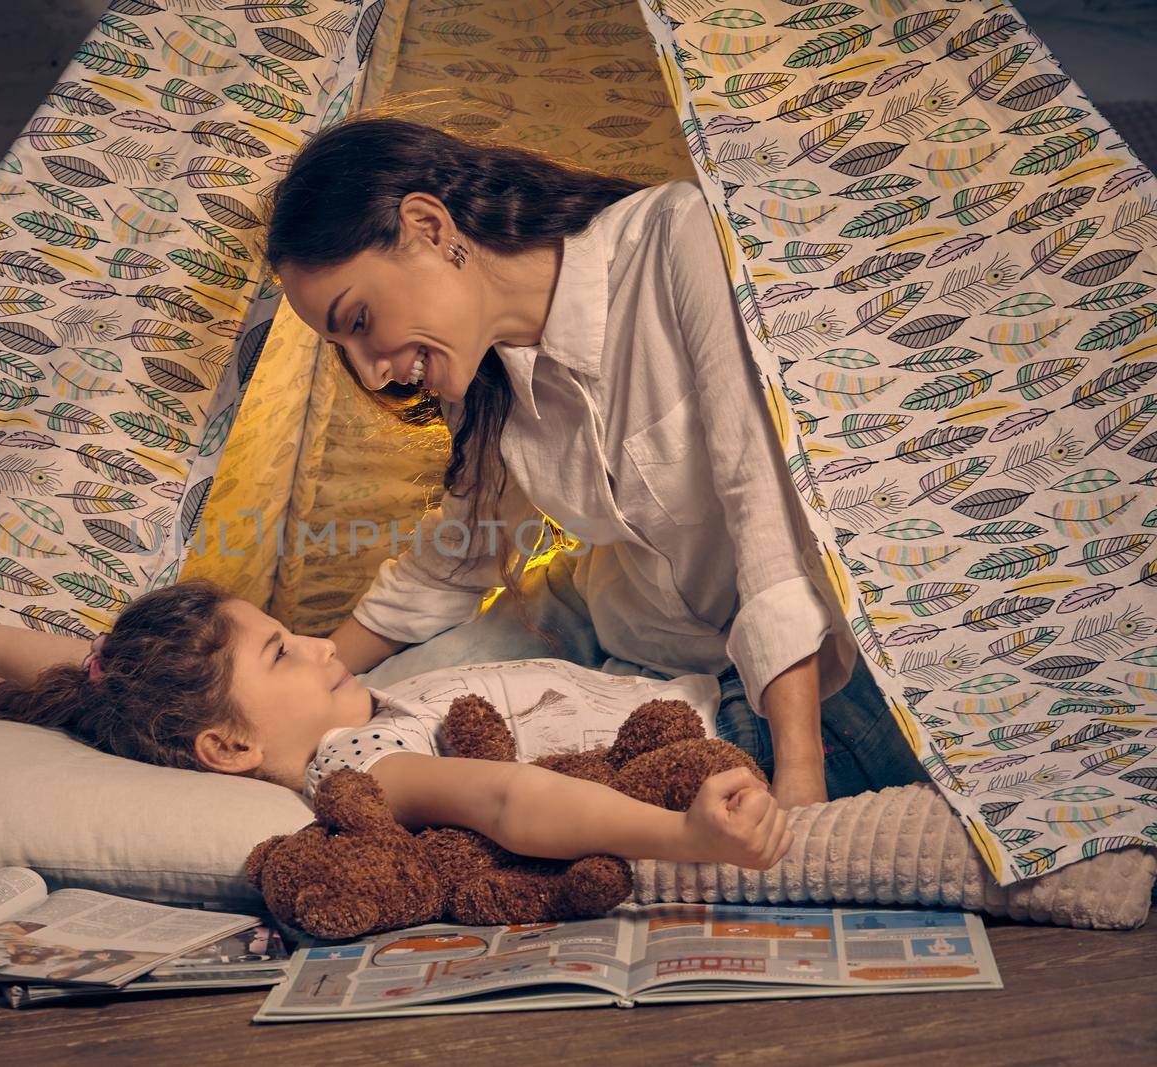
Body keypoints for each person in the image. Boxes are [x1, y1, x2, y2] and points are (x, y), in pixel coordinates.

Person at [263, 112, 931, 809]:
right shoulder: (479, 379)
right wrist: (306, 668)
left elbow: (763, 512)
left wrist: (800, 778)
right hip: (601, 627)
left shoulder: (677, 237)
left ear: (429, 229)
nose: (370, 375)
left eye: (360, 321)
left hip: (766, 662)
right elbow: (455, 563)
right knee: (348, 732)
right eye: (345, 348)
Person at [0, 584, 792, 872]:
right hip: (732, 729)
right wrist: (684, 836)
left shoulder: (367, 707)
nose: (311, 642)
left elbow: (91, 674)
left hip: (706, 678)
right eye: (277, 654)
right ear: (227, 748)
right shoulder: (358, 764)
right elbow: (505, 798)